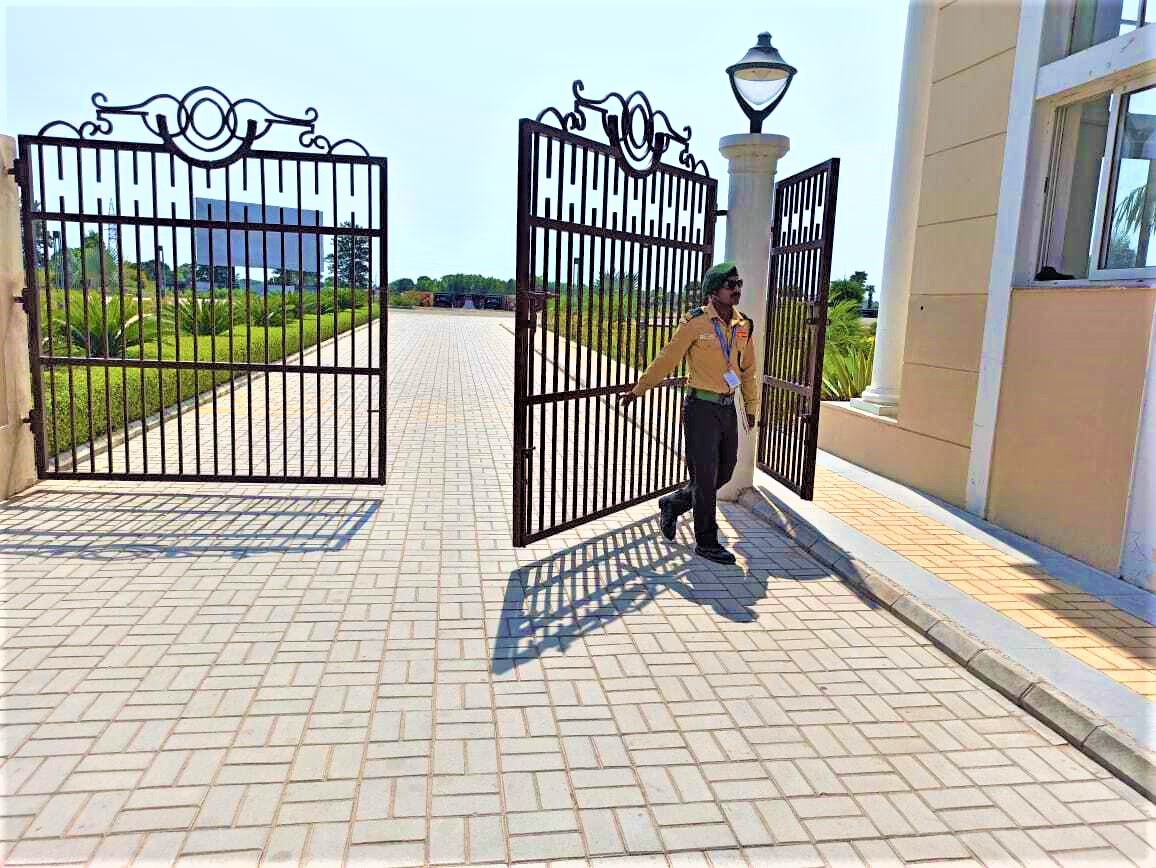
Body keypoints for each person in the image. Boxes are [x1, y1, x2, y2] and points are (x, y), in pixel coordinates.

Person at [618, 262, 757, 564]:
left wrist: (751, 405)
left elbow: (748, 370)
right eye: (731, 284)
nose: (737, 290)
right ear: (714, 291)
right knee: (705, 478)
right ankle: (707, 541)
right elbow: (667, 358)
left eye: (739, 284)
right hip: (700, 410)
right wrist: (640, 389)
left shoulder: (743, 325)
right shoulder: (695, 322)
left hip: (727, 409)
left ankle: (674, 503)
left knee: (725, 471)